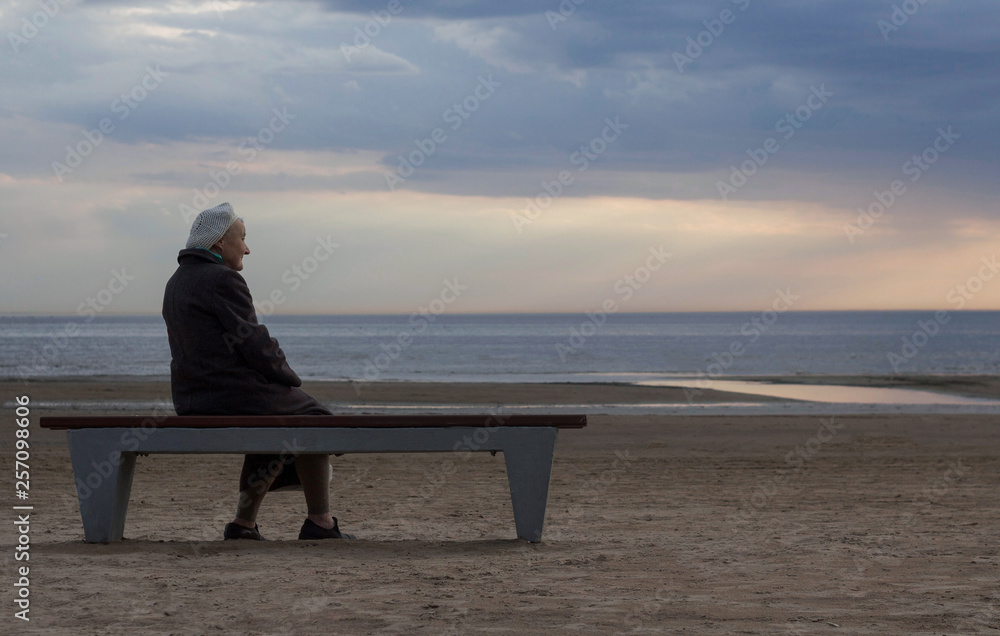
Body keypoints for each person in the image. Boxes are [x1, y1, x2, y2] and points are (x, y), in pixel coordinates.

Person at [162, 202, 352, 541]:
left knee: (274, 424)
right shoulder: (223, 279)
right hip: (230, 395)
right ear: (220, 243)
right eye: (243, 239)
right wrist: (289, 378)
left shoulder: (176, 282)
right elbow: (254, 343)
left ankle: (243, 525)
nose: (247, 248)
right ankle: (320, 521)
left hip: (193, 399)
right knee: (313, 416)